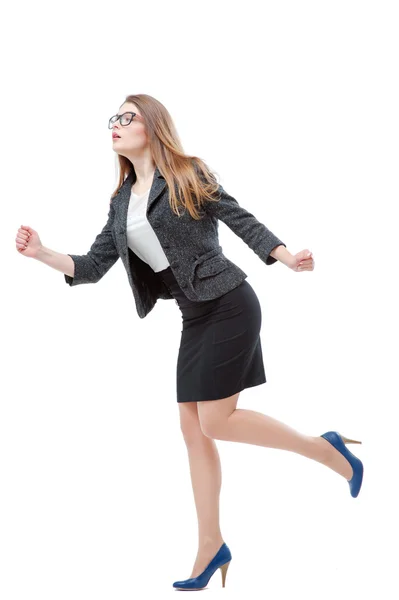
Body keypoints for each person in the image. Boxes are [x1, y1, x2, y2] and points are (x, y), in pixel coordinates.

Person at [15, 94, 363, 591]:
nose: (115, 125)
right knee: (194, 431)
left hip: (229, 301)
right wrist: (42, 253)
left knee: (215, 421)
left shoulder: (186, 174)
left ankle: (326, 451)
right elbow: (92, 267)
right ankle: (210, 545)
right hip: (193, 315)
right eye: (112, 119)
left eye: (126, 117)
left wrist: (284, 256)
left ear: (152, 126)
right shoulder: (120, 202)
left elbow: (238, 217)